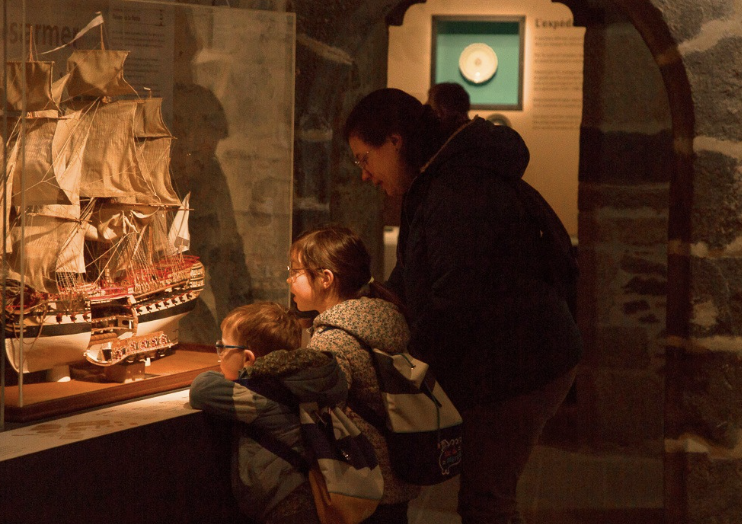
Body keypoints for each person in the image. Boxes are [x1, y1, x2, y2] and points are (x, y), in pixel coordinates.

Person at [344, 88, 582, 524]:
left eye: (364, 158)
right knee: (484, 497)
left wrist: (405, 367)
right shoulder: (442, 178)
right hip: (511, 356)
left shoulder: (458, 188)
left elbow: (455, 299)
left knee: (487, 501)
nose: (364, 174)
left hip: (521, 366)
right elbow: (425, 270)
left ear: (395, 141)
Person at [289, 225, 420, 523]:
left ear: (325, 278)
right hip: (396, 477)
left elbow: (318, 407)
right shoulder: (384, 317)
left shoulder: (333, 338)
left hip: (362, 486)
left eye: (295, 271)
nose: (288, 279)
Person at [189, 301, 344, 524]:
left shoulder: (258, 397)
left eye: (224, 347)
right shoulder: (299, 381)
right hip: (305, 493)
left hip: (282, 504)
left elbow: (201, 388)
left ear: (248, 359)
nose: (220, 354)